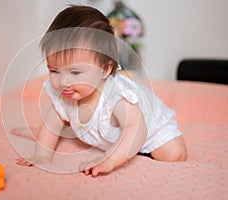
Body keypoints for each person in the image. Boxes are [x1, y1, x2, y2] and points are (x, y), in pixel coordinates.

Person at [15, 5, 187, 177]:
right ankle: (70, 133)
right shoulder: (65, 93)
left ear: (105, 69)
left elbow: (136, 129)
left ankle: (131, 149)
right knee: (57, 127)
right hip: (108, 136)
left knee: (173, 155)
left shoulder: (117, 96)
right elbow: (51, 126)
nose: (63, 82)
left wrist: (109, 159)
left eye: (75, 72)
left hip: (149, 128)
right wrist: (41, 156)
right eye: (54, 71)